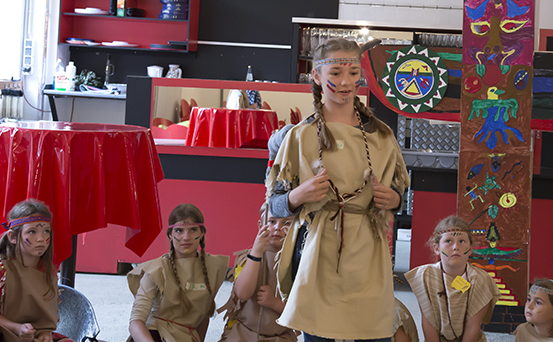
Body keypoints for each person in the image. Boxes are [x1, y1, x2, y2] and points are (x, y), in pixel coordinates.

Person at [266, 37, 410, 342]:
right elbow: (274, 205)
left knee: (374, 332)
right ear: (317, 76)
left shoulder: (382, 135)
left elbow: (400, 194)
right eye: (335, 73)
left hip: (368, 255)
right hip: (317, 253)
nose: (345, 82)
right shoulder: (300, 136)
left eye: (353, 73)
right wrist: (297, 196)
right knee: (319, 334)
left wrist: (394, 199)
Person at [0, 199, 73, 342]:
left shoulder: (48, 272)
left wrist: (45, 332)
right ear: (13, 237)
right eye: (32, 232)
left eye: (46, 231)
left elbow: (45, 315)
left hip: (31, 334)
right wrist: (17, 328)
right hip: (1, 332)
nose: (41, 238)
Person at [128, 203, 230, 342]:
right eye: (179, 231)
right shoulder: (156, 269)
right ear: (170, 235)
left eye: (193, 230)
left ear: (202, 233)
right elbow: (136, 322)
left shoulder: (213, 266)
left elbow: (203, 316)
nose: (186, 237)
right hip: (155, 334)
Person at [405, 216, 502, 342]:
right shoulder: (425, 276)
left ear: (470, 249)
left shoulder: (481, 280)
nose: (456, 247)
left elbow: (472, 327)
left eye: (462, 241)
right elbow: (428, 324)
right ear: (436, 248)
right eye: (448, 241)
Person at [217, 205, 296, 342]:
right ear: (261, 225)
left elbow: (300, 312)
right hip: (243, 332)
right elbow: (242, 294)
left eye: (286, 223)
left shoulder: (297, 264)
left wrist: (275, 303)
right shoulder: (246, 258)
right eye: (272, 221)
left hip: (279, 336)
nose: (277, 227)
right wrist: (256, 253)